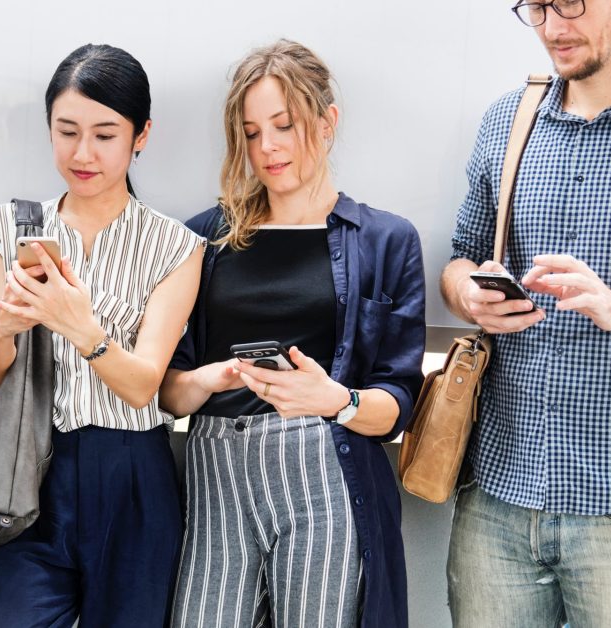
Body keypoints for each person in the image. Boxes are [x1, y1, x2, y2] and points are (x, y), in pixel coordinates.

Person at [160, 40, 426, 628]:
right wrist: (206, 378)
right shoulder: (200, 240)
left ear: (328, 122)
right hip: (216, 472)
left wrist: (338, 400)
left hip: (324, 471)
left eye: (285, 125)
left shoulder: (386, 240)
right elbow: (167, 391)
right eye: (252, 132)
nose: (268, 147)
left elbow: (400, 402)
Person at [441, 0, 611, 625]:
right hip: (497, 494)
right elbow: (460, 258)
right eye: (536, 6)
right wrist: (468, 294)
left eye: (571, 3)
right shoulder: (508, 120)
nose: (552, 26)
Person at [0, 44, 204, 627]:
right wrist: (0, 333)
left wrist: (82, 329)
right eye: (66, 131)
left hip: (132, 472)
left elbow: (143, 386)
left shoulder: (176, 246)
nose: (83, 153)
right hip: (30, 465)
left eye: (105, 134)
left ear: (140, 135)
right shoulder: (11, 227)